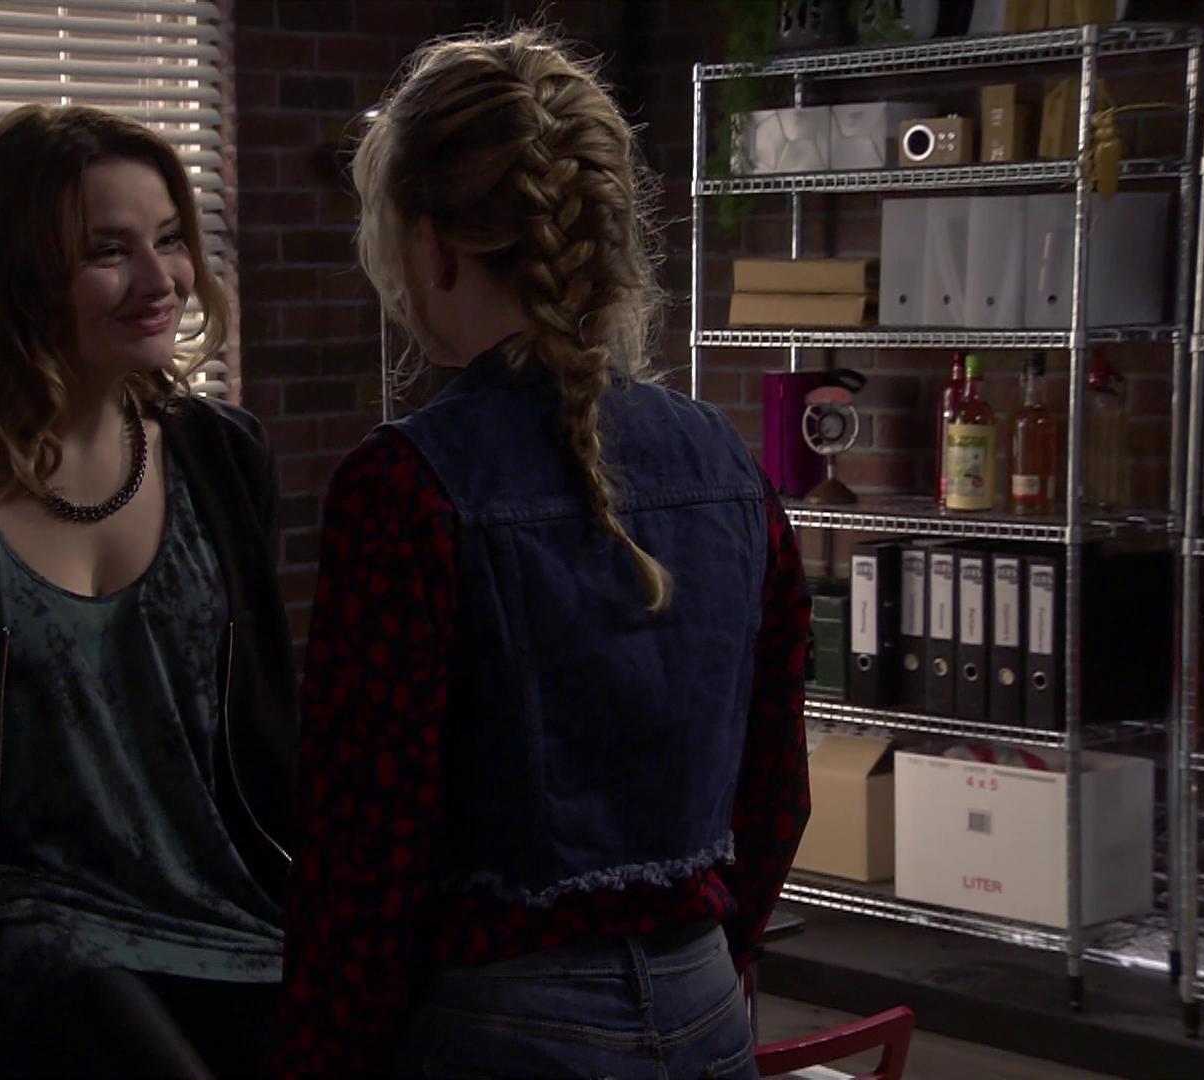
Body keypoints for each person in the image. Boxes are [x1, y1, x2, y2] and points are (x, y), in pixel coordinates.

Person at [275, 29, 812, 1079]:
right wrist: (700, 958)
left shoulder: (404, 487)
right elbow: (775, 792)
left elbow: (363, 857)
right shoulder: (728, 465)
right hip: (708, 1007)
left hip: (503, 1028)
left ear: (430, 247)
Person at [0, 104, 298, 1079]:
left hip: (232, 912)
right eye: (108, 252)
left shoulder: (222, 457)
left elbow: (272, 731)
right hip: (23, 939)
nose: (160, 281)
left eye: (170, 240)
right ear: (20, 273)